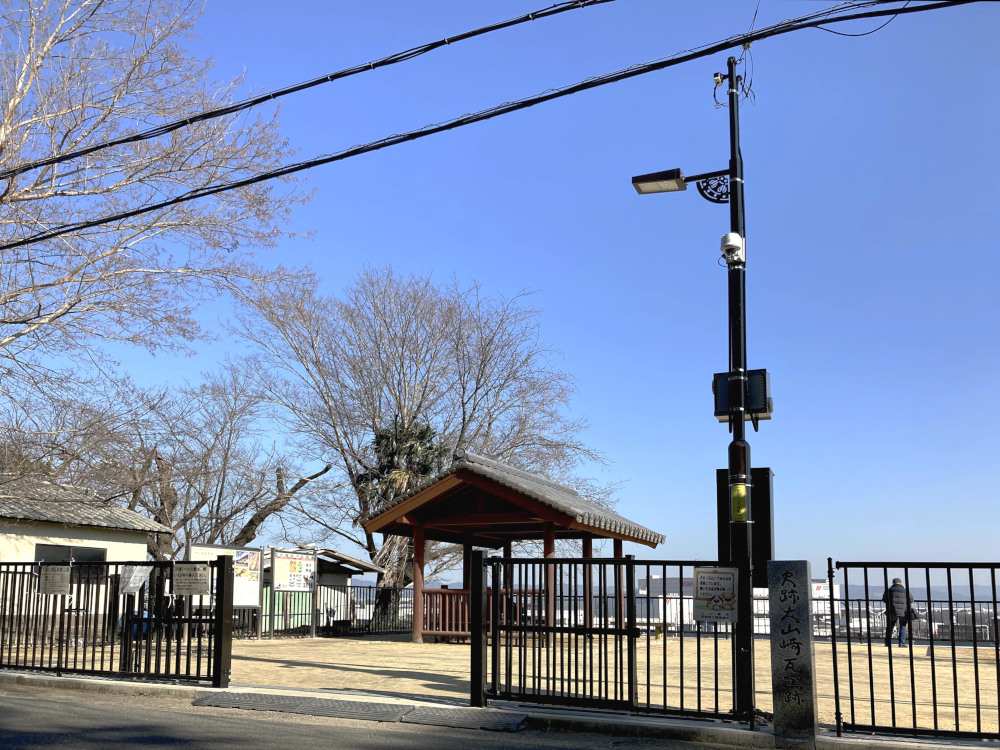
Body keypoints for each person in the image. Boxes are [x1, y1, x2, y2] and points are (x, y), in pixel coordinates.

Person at [882, 577, 914, 647]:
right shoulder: (905, 591)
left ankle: (887, 642)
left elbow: (884, 599)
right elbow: (911, 599)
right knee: (902, 626)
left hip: (892, 611)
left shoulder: (889, 590)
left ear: (893, 583)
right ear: (901, 583)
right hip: (903, 611)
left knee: (890, 627)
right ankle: (901, 643)